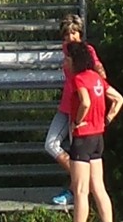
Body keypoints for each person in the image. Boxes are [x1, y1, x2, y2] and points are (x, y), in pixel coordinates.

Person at [59, 38, 123, 222]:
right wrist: (108, 119)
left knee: (80, 190)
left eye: (67, 59)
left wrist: (77, 121)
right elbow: (118, 99)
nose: (64, 62)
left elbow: (85, 102)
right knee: (99, 187)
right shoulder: (97, 78)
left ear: (75, 60)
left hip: (82, 138)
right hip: (98, 137)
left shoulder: (78, 79)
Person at [45, 13, 105, 207]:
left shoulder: (86, 50)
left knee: (77, 150)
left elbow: (98, 69)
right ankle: (79, 181)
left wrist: (101, 81)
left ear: (80, 33)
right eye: (66, 34)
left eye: (74, 33)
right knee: (51, 144)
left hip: (81, 109)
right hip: (66, 106)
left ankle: (74, 190)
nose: (70, 38)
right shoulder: (66, 50)